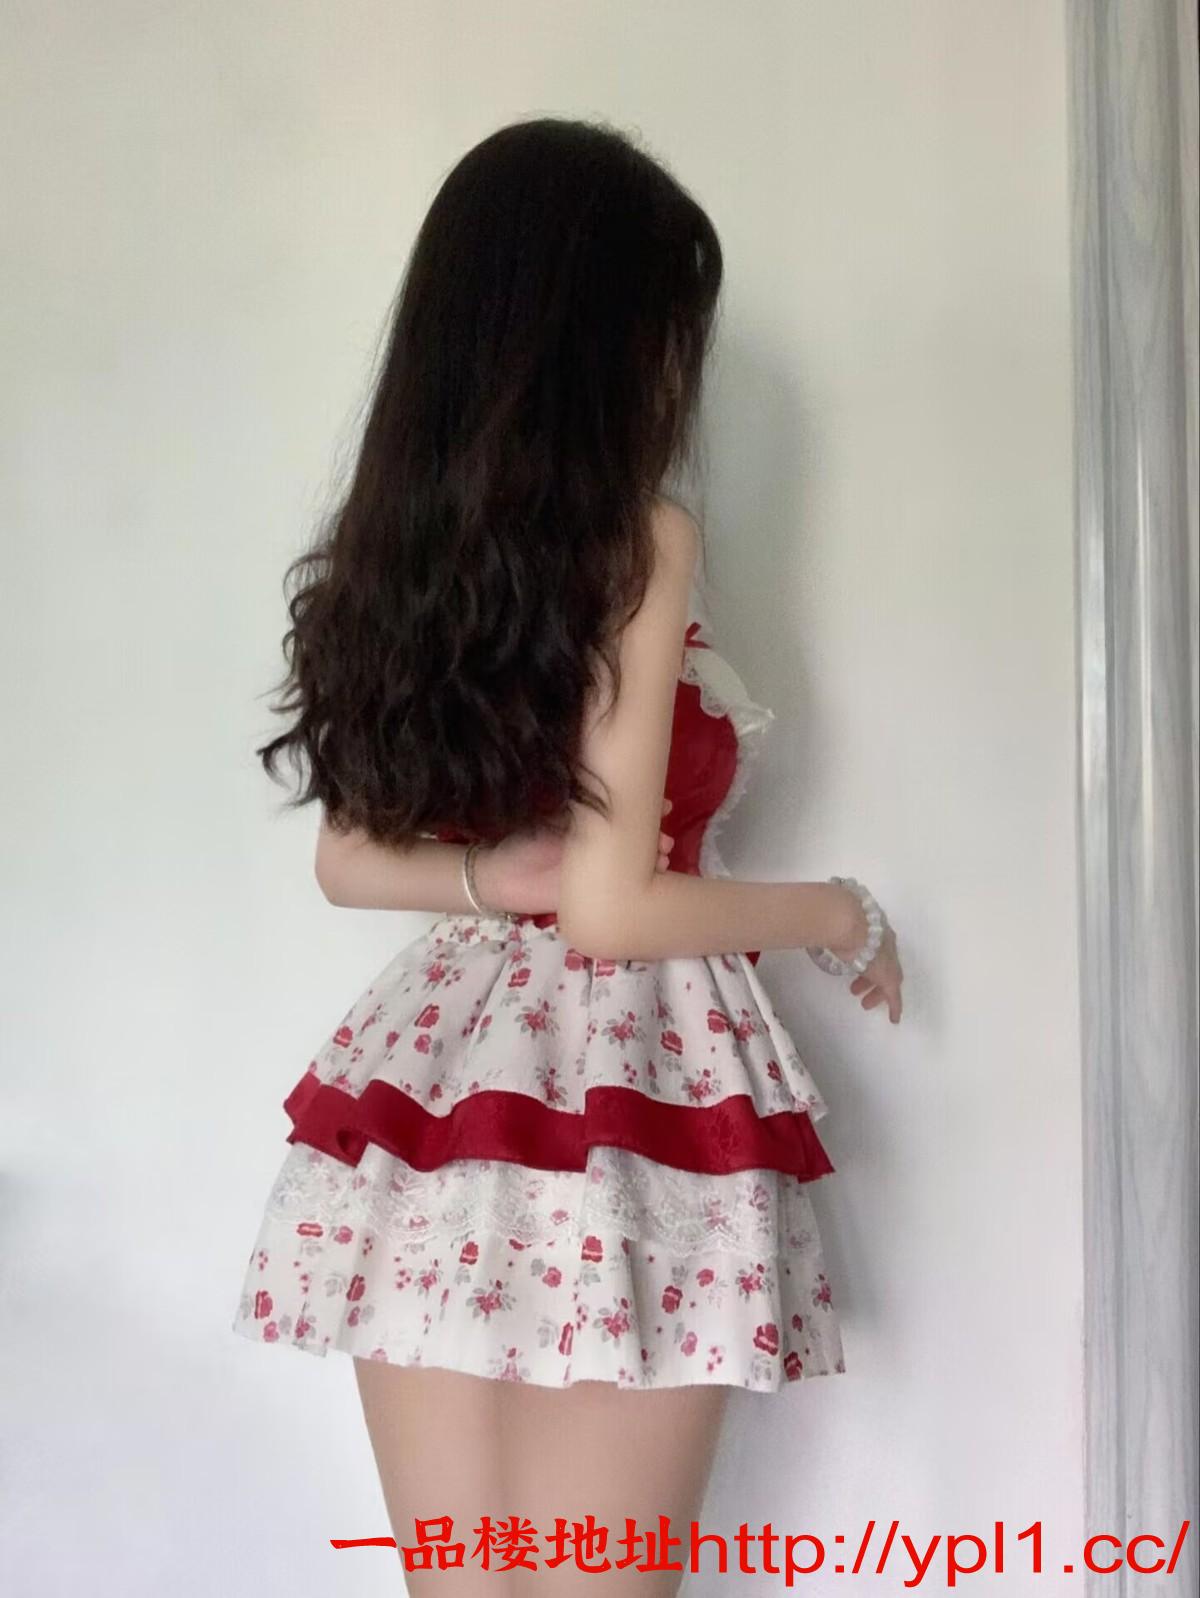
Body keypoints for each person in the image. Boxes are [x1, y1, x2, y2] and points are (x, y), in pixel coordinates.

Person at [233, 115, 904, 1594]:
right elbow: (614, 910)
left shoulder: (396, 547)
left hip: (436, 1087)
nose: (677, 373)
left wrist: (494, 882)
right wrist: (837, 912)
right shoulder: (639, 541)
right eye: (666, 328)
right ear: (601, 339)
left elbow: (350, 860)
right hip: (623, 1091)